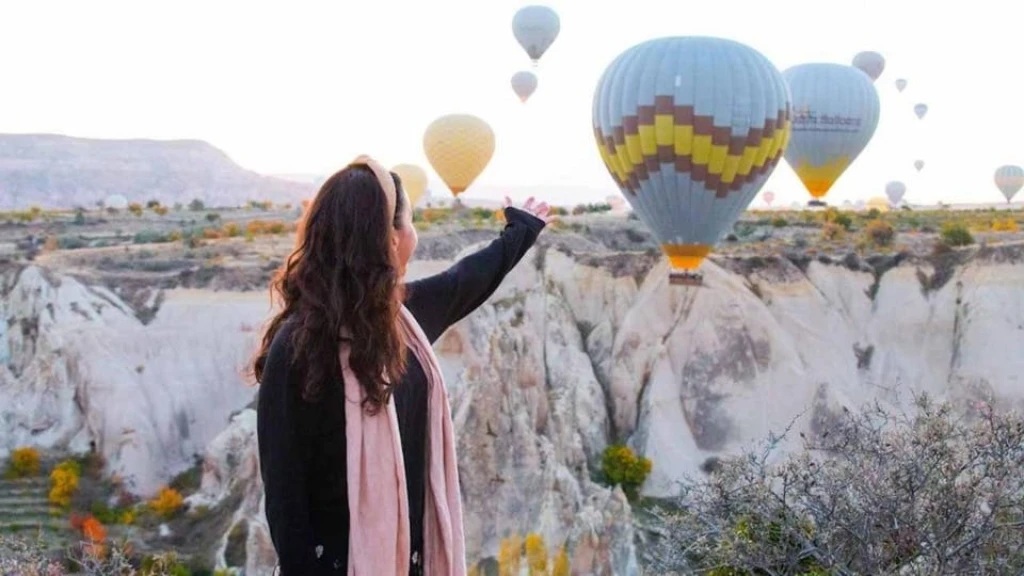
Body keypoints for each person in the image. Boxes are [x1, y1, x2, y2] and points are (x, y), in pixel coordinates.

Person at [254, 155, 551, 575]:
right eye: (410, 223)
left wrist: (520, 231)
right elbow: (285, 494)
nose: (415, 234)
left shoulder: (401, 322)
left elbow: (466, 281)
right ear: (389, 239)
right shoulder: (297, 345)